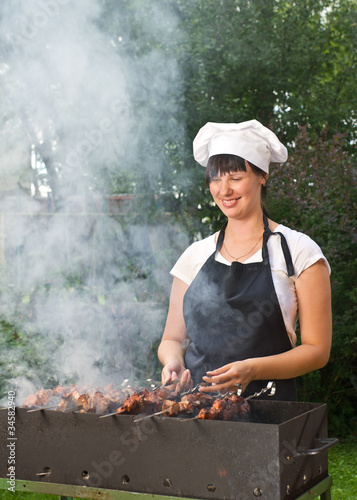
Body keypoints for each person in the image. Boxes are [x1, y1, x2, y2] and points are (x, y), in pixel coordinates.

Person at [158, 119, 332, 400]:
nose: (224, 190)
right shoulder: (195, 255)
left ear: (262, 175)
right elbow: (172, 339)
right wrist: (172, 361)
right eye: (216, 178)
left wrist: (252, 369)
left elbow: (317, 351)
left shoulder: (299, 251)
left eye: (235, 178)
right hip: (195, 412)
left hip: (271, 412)